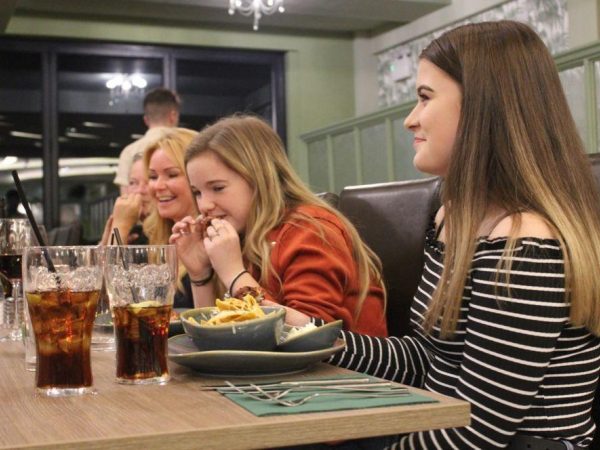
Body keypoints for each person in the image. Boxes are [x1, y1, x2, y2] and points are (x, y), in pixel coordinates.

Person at [272, 21, 600, 449]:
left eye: (425, 97)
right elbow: (428, 359)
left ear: (482, 107)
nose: (410, 120)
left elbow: (478, 428)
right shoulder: (455, 217)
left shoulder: (526, 242)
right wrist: (303, 330)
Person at [169, 115, 387, 336]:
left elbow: (311, 333)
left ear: (259, 179)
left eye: (217, 188)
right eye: (197, 192)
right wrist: (201, 275)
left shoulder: (311, 230)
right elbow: (214, 334)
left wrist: (234, 274)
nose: (204, 205)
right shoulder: (244, 234)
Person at [143, 126, 199, 309]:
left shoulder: (216, 240)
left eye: (172, 174)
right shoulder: (156, 238)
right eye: (153, 177)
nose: (158, 186)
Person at [114, 87, 181, 194]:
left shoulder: (129, 151)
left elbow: (125, 195)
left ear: (146, 120)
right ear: (173, 116)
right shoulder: (187, 145)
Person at [101, 153, 153, 246]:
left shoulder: (173, 233)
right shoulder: (135, 234)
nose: (139, 191)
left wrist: (120, 226)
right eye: (133, 183)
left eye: (149, 181)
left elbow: (114, 256)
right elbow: (112, 255)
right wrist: (104, 245)